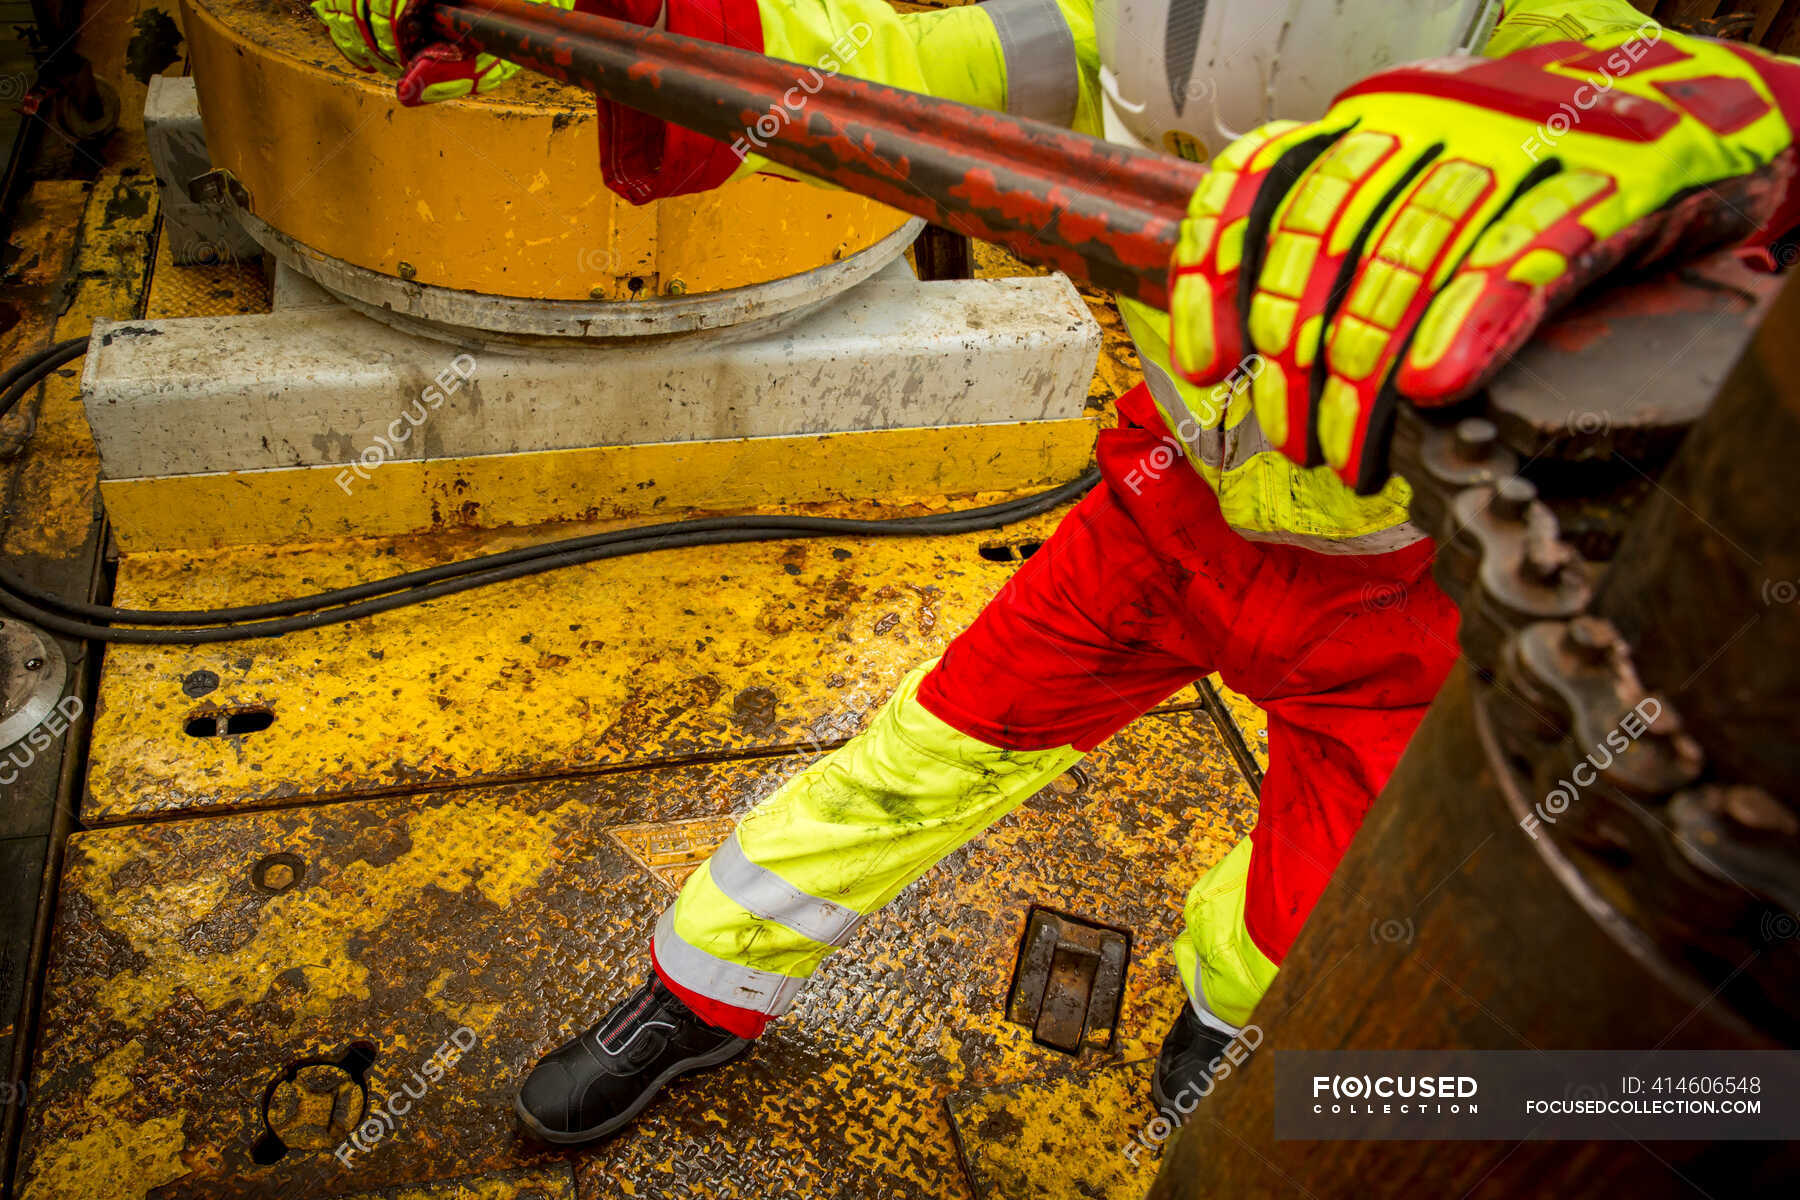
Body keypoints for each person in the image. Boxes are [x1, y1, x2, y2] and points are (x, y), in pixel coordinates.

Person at [314, 0, 1800, 1146]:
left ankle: (1227, 1026)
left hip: (1397, 603)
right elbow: (855, 57)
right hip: (1162, 519)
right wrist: (625, 18)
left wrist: (1715, 136)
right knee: (924, 752)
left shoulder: (1589, 64)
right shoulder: (1086, 27)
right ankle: (696, 992)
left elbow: (1740, 120)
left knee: (1318, 917)